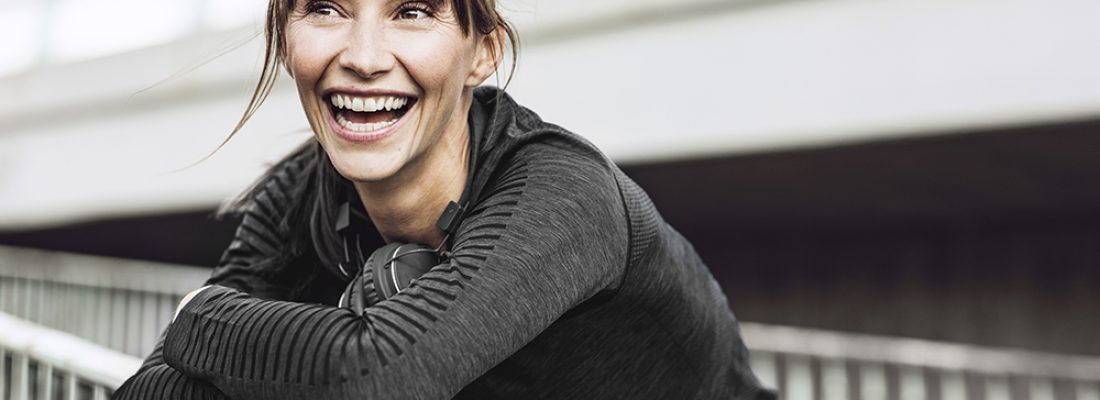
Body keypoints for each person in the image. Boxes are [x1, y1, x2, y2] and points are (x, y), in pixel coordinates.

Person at [114, 0, 775, 398]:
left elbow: (377, 377)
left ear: (482, 50)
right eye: (326, 7)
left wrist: (198, 316)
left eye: (413, 11)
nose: (364, 57)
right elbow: (152, 390)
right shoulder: (303, 193)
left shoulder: (564, 195)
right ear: (286, 39)